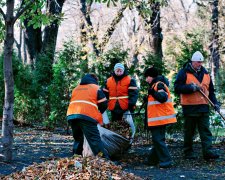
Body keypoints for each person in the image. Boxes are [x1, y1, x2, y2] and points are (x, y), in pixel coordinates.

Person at [174, 51, 220, 160]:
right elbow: (177, 88)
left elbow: (211, 91)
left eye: (201, 62)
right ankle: (188, 152)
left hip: (204, 107)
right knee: (189, 132)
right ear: (192, 61)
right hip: (190, 108)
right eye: (198, 62)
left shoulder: (206, 74)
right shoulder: (183, 72)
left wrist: (215, 103)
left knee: (205, 131)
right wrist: (190, 88)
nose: (200, 64)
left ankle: (207, 152)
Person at [66, 73, 109, 159]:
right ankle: (104, 160)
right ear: (95, 80)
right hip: (87, 116)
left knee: (78, 138)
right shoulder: (96, 88)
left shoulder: (76, 88)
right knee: (94, 139)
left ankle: (76, 158)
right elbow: (104, 103)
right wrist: (99, 112)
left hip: (72, 115)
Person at [144, 67, 177, 168]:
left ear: (151, 76)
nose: (146, 80)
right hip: (159, 118)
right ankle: (152, 160)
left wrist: (152, 93)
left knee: (158, 140)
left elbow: (162, 97)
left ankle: (166, 160)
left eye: (147, 77)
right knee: (157, 139)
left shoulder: (159, 84)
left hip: (159, 119)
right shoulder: (156, 85)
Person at [102, 63, 138, 139]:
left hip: (126, 107)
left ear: (123, 71)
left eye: (120, 71)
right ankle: (116, 142)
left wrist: (130, 105)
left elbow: (134, 94)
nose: (118, 72)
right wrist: (105, 105)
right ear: (114, 71)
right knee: (115, 126)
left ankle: (127, 142)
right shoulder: (108, 81)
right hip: (113, 107)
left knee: (127, 126)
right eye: (117, 71)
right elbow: (104, 95)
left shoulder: (130, 80)